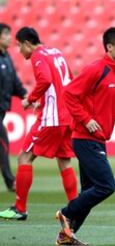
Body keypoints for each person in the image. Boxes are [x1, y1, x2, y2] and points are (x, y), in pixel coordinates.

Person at [55, 27, 115, 246]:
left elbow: (112, 106)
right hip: (85, 138)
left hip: (97, 139)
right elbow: (69, 94)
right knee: (106, 186)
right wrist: (85, 119)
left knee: (89, 192)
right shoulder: (96, 69)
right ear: (110, 47)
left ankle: (67, 236)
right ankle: (65, 213)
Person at [0, 27, 78, 220]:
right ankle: (76, 209)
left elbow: (45, 79)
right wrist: (43, 101)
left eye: (20, 46)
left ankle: (20, 208)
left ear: (28, 43)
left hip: (52, 118)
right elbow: (68, 82)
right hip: (67, 115)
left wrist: (30, 99)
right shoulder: (56, 52)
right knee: (65, 161)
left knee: (24, 157)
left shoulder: (37, 55)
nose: (19, 50)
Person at [0, 23, 27, 192]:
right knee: (3, 142)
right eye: (6, 34)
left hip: (2, 109)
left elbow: (14, 81)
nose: (10, 38)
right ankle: (11, 182)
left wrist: (26, 95)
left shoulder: (6, 56)